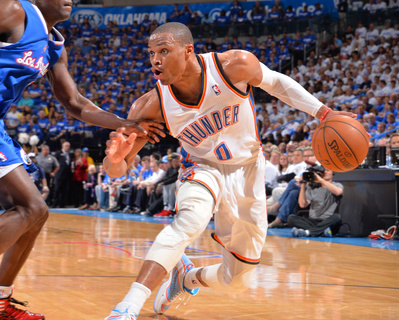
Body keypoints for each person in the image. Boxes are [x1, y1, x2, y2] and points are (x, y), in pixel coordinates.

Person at [102, 22, 354, 320]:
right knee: (190, 220)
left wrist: (324, 113)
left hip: (248, 171)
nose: (155, 60)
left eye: (164, 51)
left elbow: (276, 83)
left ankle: (186, 277)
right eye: (151, 53)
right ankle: (127, 307)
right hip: (202, 167)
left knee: (238, 280)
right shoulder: (150, 106)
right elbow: (116, 171)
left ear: (188, 50)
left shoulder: (234, 65)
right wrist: (115, 159)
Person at [0, 1, 164, 318]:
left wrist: (124, 124)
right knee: (32, 208)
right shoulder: (13, 10)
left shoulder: (53, 45)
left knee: (35, 214)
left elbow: (74, 103)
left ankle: (2, 301)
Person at [288, 168, 343, 237]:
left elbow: (338, 192)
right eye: (323, 171)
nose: (325, 172)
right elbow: (302, 204)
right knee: (291, 218)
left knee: (337, 217)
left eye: (328, 170)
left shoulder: (337, 185)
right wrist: (303, 185)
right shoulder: (312, 187)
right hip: (313, 221)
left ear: (333, 174)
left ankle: (308, 232)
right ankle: (321, 231)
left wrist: (321, 180)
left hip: (328, 222)